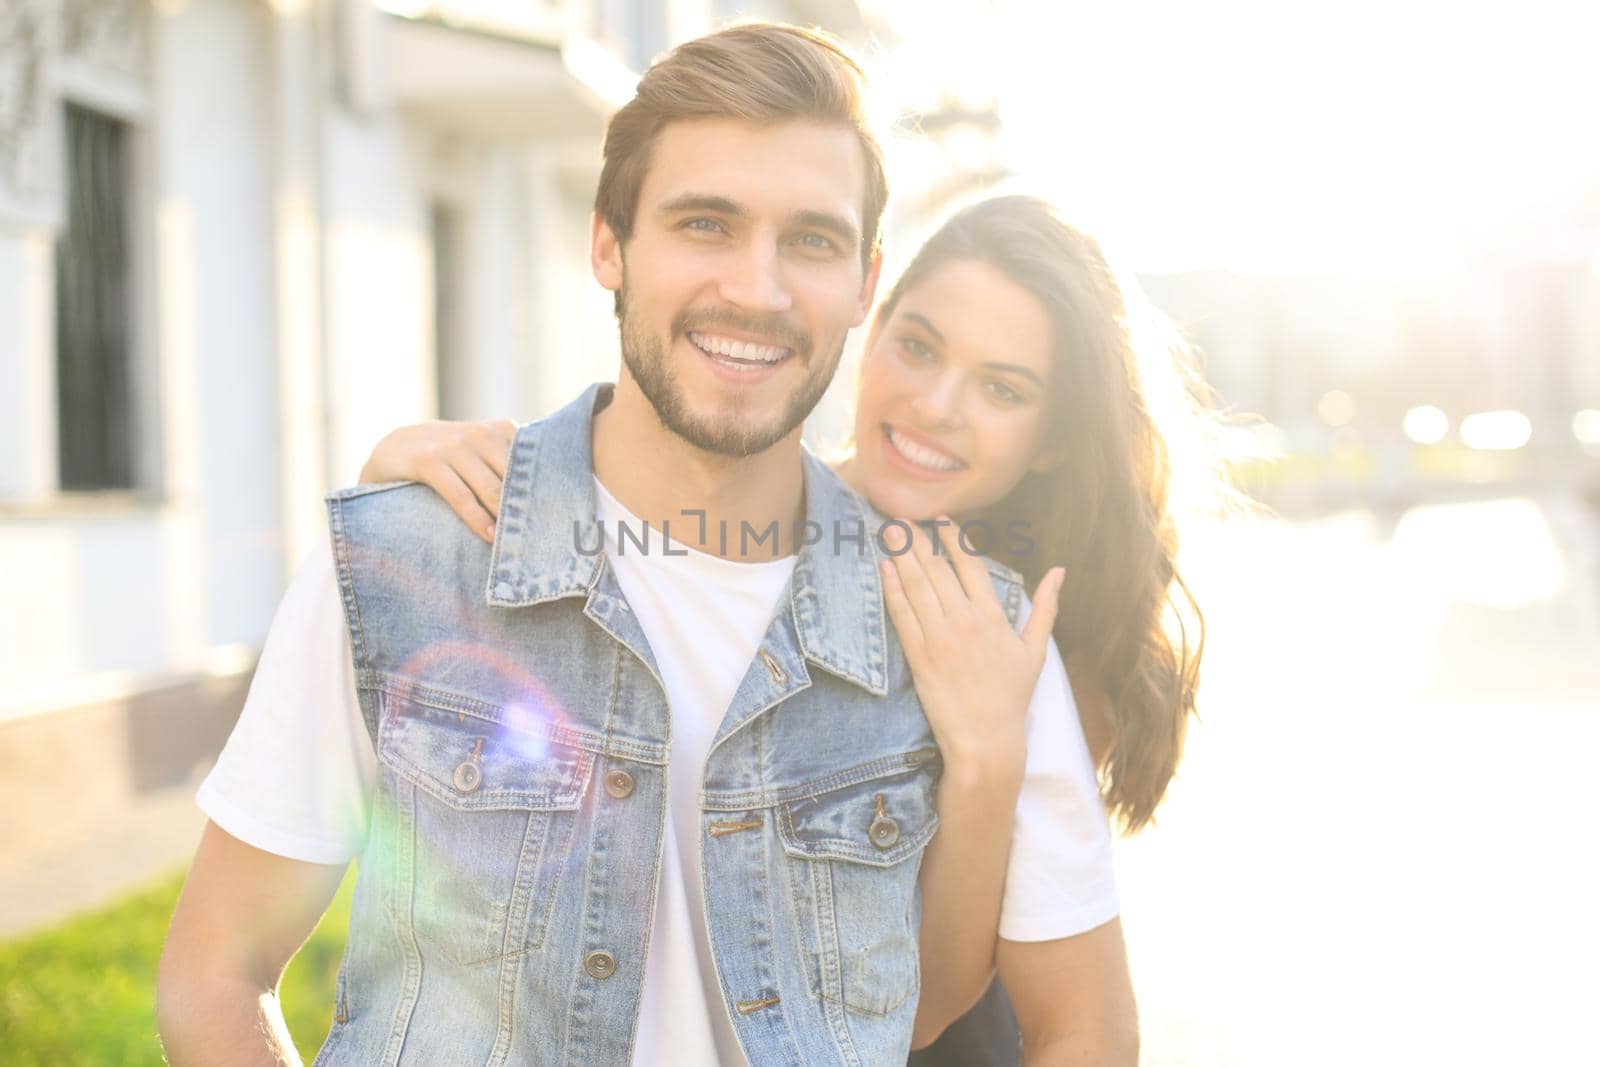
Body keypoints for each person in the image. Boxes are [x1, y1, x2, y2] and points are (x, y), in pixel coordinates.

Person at [156, 24, 1136, 1067]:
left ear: (863, 280)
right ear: (608, 244)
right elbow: (215, 972)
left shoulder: (976, 636)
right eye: (705, 223)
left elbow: (1076, 1026)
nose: (755, 289)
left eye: (809, 239)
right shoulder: (404, 558)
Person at [359, 196, 1208, 1062]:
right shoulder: (743, 521)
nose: (936, 404)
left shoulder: (1030, 640)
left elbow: (924, 1009)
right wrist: (403, 486)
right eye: (917, 346)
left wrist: (987, 761)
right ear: (867, 328)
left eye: (1002, 387)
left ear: (1050, 441)